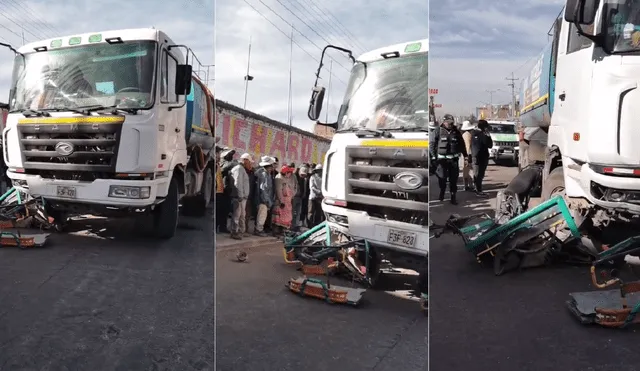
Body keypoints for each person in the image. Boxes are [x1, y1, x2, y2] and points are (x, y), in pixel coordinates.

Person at [430, 113, 467, 205]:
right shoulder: (438, 131)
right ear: (444, 122)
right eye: (448, 123)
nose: (450, 125)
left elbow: (462, 145)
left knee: (453, 180)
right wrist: (434, 157)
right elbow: (432, 145)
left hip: (454, 160)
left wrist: (466, 156)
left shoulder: (456, 132)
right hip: (441, 161)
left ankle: (453, 197)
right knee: (442, 179)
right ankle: (442, 191)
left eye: (451, 123)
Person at [228, 153, 252, 240]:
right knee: (237, 215)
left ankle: (241, 231)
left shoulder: (241, 169)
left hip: (242, 197)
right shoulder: (239, 169)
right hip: (239, 197)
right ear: (245, 160)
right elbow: (238, 183)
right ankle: (234, 232)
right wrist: (240, 195)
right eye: (249, 161)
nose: (250, 163)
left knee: (242, 215)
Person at [471, 120, 493, 197]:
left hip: (476, 156)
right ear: (484, 127)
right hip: (481, 157)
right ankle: (478, 190)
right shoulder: (482, 135)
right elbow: (490, 145)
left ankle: (476, 188)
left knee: (477, 173)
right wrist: (488, 135)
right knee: (479, 174)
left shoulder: (473, 133)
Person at [253, 156, 275, 237]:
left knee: (262, 215)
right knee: (262, 215)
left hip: (263, 198)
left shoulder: (266, 174)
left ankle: (259, 229)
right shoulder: (264, 174)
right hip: (263, 199)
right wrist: (267, 201)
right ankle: (259, 230)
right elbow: (263, 189)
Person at [273, 164, 297, 233]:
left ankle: (283, 231)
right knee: (278, 217)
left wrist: (292, 195)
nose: (290, 174)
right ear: (286, 173)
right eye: (289, 172)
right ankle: (276, 231)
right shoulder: (279, 178)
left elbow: (293, 188)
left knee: (286, 217)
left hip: (288, 202)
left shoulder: (287, 178)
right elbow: (279, 190)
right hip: (281, 202)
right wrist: (281, 201)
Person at [218, 148, 237, 233]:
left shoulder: (230, 164)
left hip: (227, 190)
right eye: (229, 155)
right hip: (221, 190)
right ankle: (218, 227)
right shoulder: (222, 163)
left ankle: (223, 227)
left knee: (226, 210)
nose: (231, 156)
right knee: (220, 210)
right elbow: (223, 168)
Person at [460, 120, 476, 191]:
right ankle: (470, 185)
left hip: (465, 155)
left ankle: (466, 185)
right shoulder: (469, 135)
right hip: (468, 155)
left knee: (466, 170)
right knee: (470, 170)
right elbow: (468, 146)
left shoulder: (464, 135)